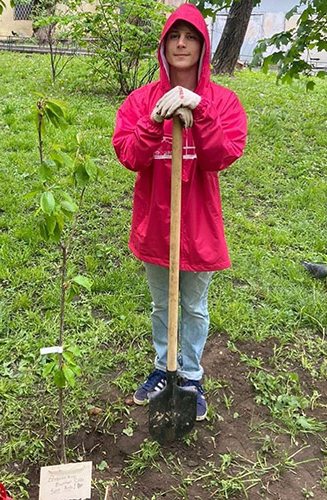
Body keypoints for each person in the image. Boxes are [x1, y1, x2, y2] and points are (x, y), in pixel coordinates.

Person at [112, 3, 247, 421]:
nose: (182, 43)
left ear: (203, 46)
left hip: (199, 223)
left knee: (194, 306)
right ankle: (162, 369)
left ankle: (189, 376)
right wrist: (154, 121)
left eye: (191, 37)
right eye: (175, 36)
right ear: (164, 46)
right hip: (158, 221)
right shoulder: (141, 100)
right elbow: (130, 156)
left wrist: (199, 110)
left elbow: (219, 157)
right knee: (160, 304)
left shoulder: (223, 102)